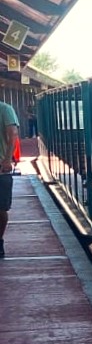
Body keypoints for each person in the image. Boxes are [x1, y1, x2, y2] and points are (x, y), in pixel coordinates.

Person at [0, 98, 20, 258]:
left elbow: (12, 134)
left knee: (1, 208)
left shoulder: (5, 109)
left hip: (1, 167)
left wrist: (7, 158)